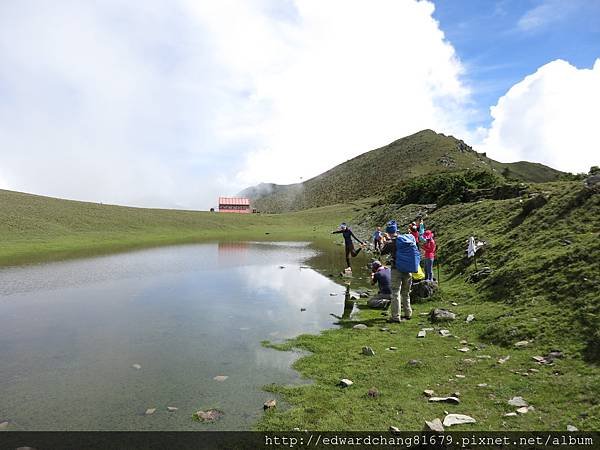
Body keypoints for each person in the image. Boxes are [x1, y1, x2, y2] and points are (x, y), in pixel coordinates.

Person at [382, 227, 419, 322]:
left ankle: (395, 317)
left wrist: (385, 242)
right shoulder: (407, 239)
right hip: (408, 270)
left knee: (395, 293)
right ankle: (408, 313)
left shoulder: (392, 243)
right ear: (396, 231)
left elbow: (381, 252)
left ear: (388, 232)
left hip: (396, 270)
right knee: (406, 293)